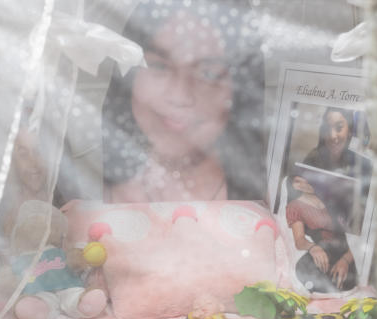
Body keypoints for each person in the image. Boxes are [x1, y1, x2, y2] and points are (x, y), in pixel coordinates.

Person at [101, 0, 265, 202]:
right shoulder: (80, 183)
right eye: (160, 67)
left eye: (208, 74)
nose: (180, 96)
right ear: (128, 76)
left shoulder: (272, 200)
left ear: (240, 92)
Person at [285, 173, 357, 292]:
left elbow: (353, 240)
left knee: (346, 283)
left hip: (345, 257)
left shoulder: (332, 201)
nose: (307, 183)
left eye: (310, 179)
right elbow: (299, 241)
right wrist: (314, 248)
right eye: (299, 181)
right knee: (304, 271)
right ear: (295, 185)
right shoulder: (295, 206)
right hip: (321, 256)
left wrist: (345, 260)